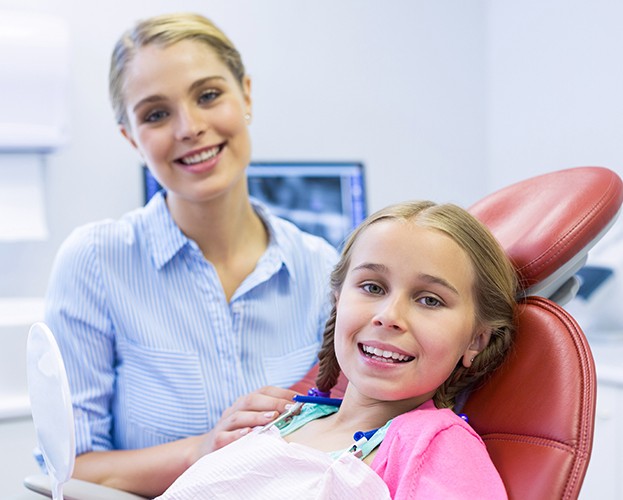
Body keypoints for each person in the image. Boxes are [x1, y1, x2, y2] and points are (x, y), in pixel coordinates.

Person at [43, 12, 338, 497]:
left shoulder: (322, 268)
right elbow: (66, 467)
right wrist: (200, 451)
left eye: (208, 95)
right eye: (156, 114)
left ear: (246, 95)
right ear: (130, 139)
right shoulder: (94, 262)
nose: (190, 127)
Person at [159, 200, 518, 499]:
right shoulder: (286, 419)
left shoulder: (437, 448)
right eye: (373, 287)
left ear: (475, 340)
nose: (388, 317)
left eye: (429, 300)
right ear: (337, 300)